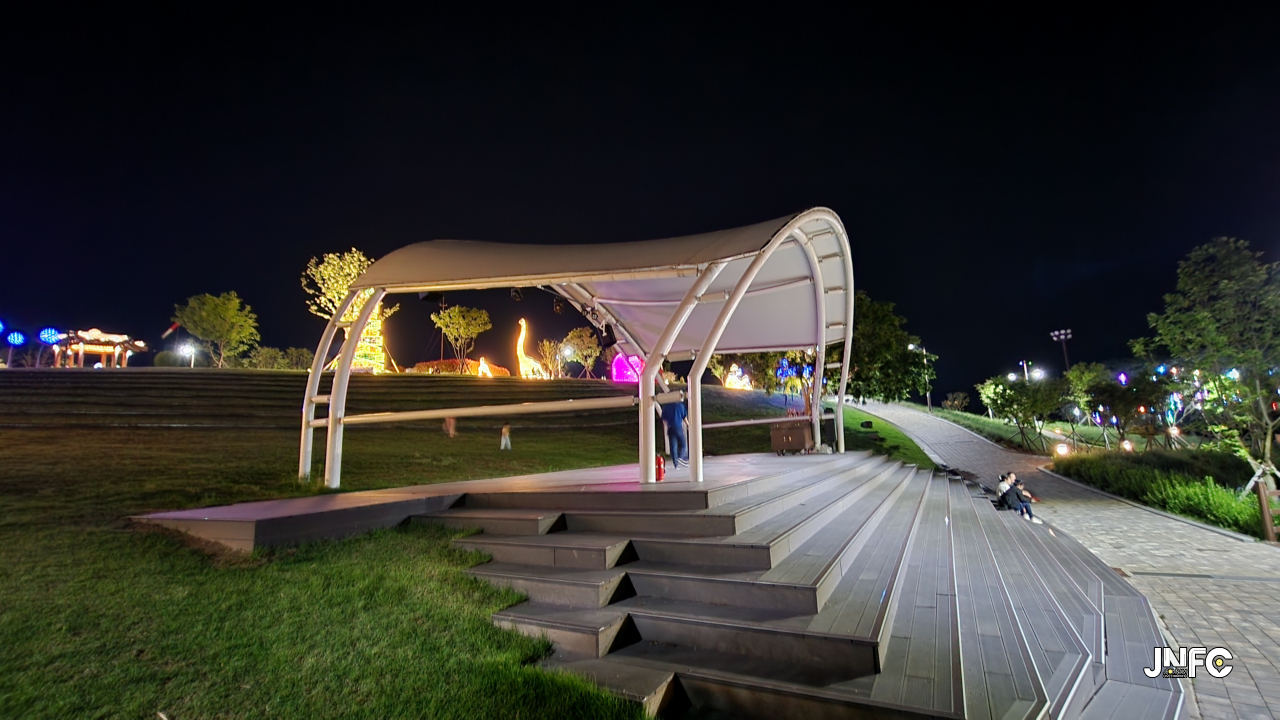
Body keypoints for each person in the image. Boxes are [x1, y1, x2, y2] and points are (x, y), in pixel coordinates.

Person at [660, 397, 689, 469]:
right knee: (683, 444)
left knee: (673, 446)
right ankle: (681, 458)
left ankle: (676, 464)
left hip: (670, 428)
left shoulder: (666, 407)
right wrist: (688, 425)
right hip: (678, 427)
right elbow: (684, 417)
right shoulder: (680, 405)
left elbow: (664, 419)